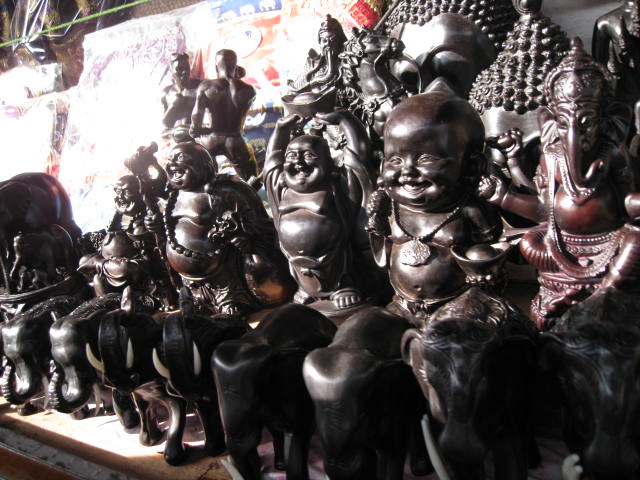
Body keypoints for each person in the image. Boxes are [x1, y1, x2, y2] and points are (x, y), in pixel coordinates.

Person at [190, 49, 258, 181]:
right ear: (235, 66)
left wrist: (194, 132)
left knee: (207, 180)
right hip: (235, 139)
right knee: (252, 180)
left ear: (216, 67)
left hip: (210, 139)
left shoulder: (205, 86)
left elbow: (196, 115)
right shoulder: (249, 89)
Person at [161, 53, 201, 143]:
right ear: (172, 71)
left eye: (186, 68)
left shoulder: (201, 87)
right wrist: (173, 106)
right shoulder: (166, 93)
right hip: (177, 141)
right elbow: (164, 129)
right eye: (179, 69)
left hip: (199, 140)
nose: (184, 72)